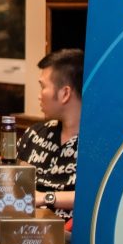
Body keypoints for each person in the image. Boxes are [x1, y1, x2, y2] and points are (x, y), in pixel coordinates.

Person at [17, 48, 82, 220]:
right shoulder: (34, 135)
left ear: (65, 93)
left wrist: (46, 198)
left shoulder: (96, 147)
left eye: (43, 87)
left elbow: (96, 196)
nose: (39, 96)